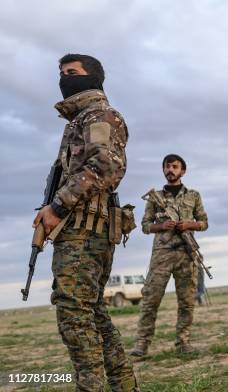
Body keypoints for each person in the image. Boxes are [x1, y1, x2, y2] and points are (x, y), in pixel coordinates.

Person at [31, 54, 138, 391]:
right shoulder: (79, 122)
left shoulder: (101, 115)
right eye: (61, 73)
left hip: (85, 229)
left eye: (73, 73)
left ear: (93, 78)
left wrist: (58, 208)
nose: (65, 78)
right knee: (92, 313)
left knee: (74, 314)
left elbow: (106, 166)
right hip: (79, 227)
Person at [131, 154, 208, 357]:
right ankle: (142, 345)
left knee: (187, 301)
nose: (170, 170)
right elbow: (145, 226)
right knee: (150, 300)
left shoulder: (193, 195)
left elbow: (204, 222)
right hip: (162, 255)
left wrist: (188, 224)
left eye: (175, 166)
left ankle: (183, 342)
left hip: (186, 253)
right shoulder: (155, 197)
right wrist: (162, 226)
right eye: (167, 166)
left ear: (182, 171)